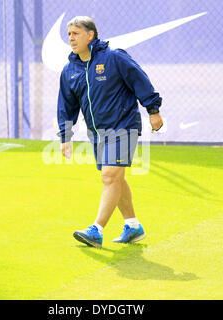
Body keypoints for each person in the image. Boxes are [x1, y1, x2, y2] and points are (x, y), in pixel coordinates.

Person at [57, 16, 163, 248]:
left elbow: (139, 79)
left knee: (109, 176)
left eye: (75, 33)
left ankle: (96, 229)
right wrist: (65, 137)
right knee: (116, 178)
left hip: (123, 126)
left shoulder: (113, 56)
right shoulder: (70, 70)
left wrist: (153, 110)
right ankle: (133, 226)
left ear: (90, 35)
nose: (71, 39)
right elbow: (66, 105)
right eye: (69, 35)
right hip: (97, 132)